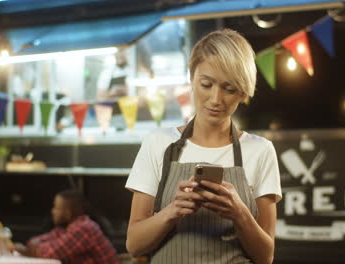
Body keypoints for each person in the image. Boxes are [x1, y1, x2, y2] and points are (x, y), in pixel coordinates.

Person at [125, 29, 282, 264]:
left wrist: (239, 213)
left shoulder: (260, 151)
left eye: (229, 89)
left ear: (242, 93)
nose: (216, 99)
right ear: (191, 78)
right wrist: (172, 211)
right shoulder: (158, 143)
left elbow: (265, 256)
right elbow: (134, 245)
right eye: (206, 84)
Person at [15, 190, 119, 264]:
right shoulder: (65, 228)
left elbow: (50, 253)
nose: (53, 211)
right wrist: (32, 248)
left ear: (68, 213)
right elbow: (34, 242)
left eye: (56, 208)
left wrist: (29, 250)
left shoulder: (84, 228)